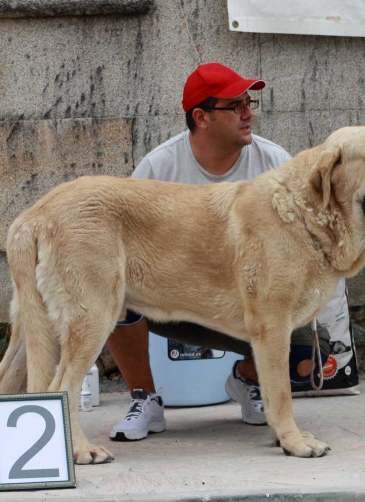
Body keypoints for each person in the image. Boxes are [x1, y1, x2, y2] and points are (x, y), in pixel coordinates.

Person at [106, 63, 330, 441]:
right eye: (236, 105)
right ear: (201, 117)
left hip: (246, 301)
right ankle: (145, 399)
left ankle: (245, 380)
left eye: (250, 101)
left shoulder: (275, 163)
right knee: (114, 287)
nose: (249, 113)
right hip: (168, 295)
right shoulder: (160, 166)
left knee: (307, 355)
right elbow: (124, 240)